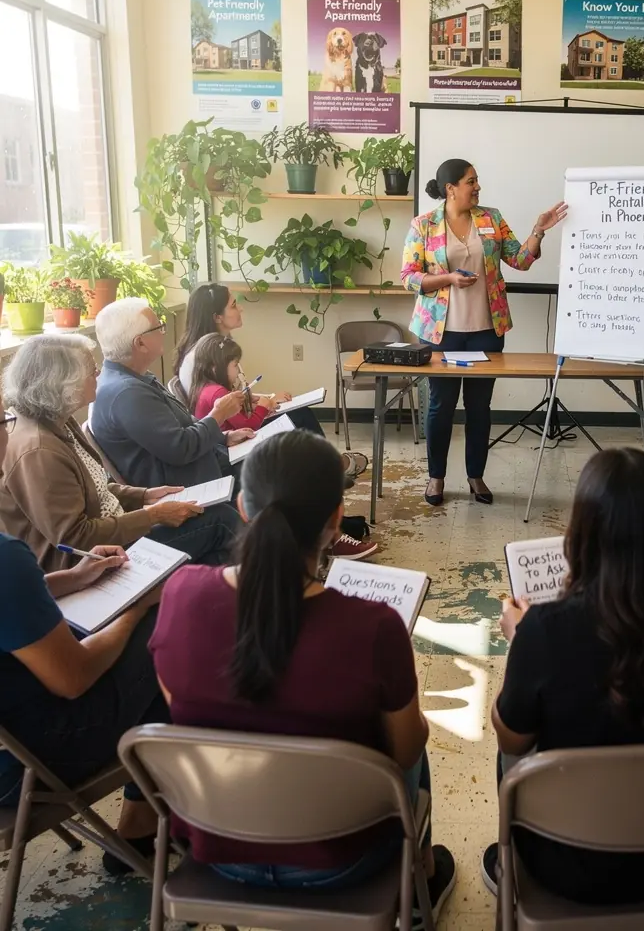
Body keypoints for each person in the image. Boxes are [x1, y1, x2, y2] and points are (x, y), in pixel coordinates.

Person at [149, 431, 454, 922]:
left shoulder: (181, 594)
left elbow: (177, 709)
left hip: (217, 847)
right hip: (340, 857)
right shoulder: (375, 627)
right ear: (336, 521)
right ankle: (421, 877)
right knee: (411, 734)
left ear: (243, 507)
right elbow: (404, 752)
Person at [485, 448, 644, 905]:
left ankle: (511, 858)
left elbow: (512, 741)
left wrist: (520, 643)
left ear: (581, 533)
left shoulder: (545, 629)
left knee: (515, 748)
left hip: (569, 862)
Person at [0, 390, 166, 876]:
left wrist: (70, 578)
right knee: (164, 629)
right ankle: (144, 824)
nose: (10, 426)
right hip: (28, 764)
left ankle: (145, 816)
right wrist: (134, 611)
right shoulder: (4, 558)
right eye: (4, 417)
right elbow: (71, 679)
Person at [402, 158, 568, 508]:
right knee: (440, 406)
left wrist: (539, 230)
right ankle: (436, 478)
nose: (477, 187)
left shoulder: (490, 218)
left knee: (479, 407)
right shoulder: (424, 224)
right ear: (450, 188)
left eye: (477, 181)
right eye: (470, 181)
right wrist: (448, 278)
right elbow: (409, 277)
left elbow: (520, 260)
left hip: (486, 331)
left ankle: (476, 476)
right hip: (440, 333)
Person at [0, 335, 240, 570]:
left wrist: (143, 495)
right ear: (62, 382)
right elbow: (75, 537)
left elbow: (92, 489)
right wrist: (152, 516)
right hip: (94, 559)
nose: (97, 374)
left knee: (218, 534)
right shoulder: (39, 451)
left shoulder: (58, 421)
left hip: (119, 529)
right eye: (90, 368)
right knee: (222, 521)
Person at [90, 298, 255, 488]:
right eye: (158, 327)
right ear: (140, 343)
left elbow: (181, 425)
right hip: (190, 493)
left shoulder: (133, 377)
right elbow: (181, 448)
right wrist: (219, 415)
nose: (162, 331)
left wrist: (223, 437)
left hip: (206, 466)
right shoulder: (128, 393)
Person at [174, 282, 323, 436]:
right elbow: (219, 410)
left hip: (237, 424)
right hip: (231, 435)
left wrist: (268, 399)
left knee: (299, 412)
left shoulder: (214, 349)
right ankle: (335, 460)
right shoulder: (200, 359)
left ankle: (333, 460)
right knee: (302, 416)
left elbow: (232, 397)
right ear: (217, 317)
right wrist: (265, 404)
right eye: (233, 305)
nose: (240, 308)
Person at [189, 333, 281, 431]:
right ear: (215, 368)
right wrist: (262, 407)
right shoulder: (218, 392)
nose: (238, 371)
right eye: (236, 365)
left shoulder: (206, 388)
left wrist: (252, 407)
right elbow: (247, 427)